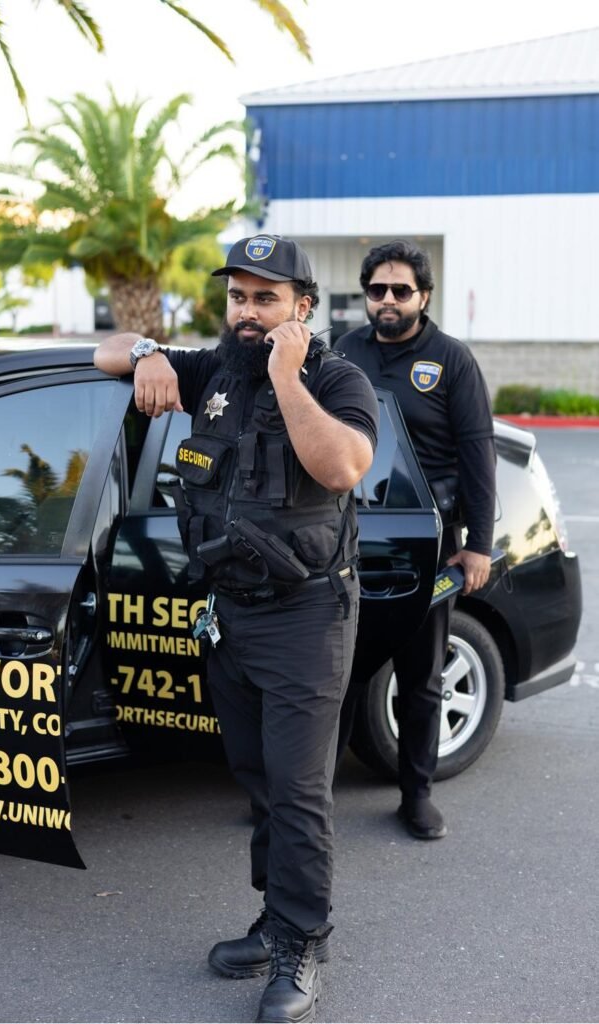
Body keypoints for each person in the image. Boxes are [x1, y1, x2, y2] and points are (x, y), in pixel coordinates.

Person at [94, 235, 378, 1024]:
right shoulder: (214, 369)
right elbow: (101, 352)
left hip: (305, 617)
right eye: (237, 298)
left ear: (302, 308)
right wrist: (149, 352)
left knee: (296, 791)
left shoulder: (335, 378)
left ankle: (300, 942)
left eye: (265, 299)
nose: (247, 313)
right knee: (255, 778)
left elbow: (343, 466)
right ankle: (273, 916)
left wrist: (287, 378)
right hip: (231, 613)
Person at [333, 239, 496, 841]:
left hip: (421, 541)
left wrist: (478, 544)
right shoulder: (343, 350)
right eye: (377, 289)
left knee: (421, 676)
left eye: (401, 290)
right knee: (334, 673)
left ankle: (416, 796)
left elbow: (478, 455)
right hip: (344, 534)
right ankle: (306, 797)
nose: (388, 300)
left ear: (424, 296)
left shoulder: (451, 361)